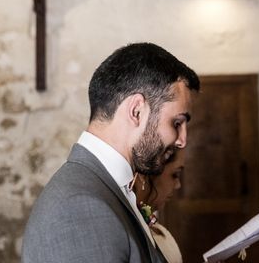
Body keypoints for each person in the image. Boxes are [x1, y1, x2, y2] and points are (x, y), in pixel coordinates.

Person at [21, 42, 200, 263]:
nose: (182, 140)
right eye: (177, 122)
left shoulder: (105, 187)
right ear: (136, 111)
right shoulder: (80, 207)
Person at [133, 149, 186, 263]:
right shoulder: (125, 230)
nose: (178, 185)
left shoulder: (160, 232)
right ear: (147, 173)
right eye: (174, 174)